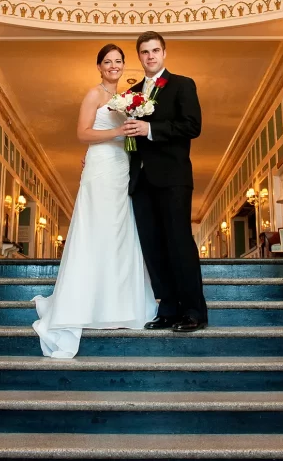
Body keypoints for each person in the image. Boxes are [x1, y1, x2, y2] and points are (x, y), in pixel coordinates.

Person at [32, 44, 158, 358]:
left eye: (118, 61)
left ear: (123, 65)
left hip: (120, 168)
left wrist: (130, 138)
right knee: (97, 230)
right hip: (100, 166)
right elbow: (83, 133)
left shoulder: (131, 98)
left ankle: (119, 306)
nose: (113, 66)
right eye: (107, 62)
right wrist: (117, 131)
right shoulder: (94, 95)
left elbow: (131, 138)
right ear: (99, 66)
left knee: (120, 232)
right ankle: (85, 304)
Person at [122, 32, 207, 332]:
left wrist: (150, 128)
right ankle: (168, 309)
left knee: (179, 242)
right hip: (140, 180)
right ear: (139, 56)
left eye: (155, 50)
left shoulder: (182, 84)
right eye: (144, 52)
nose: (150, 56)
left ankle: (194, 311)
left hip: (173, 177)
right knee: (153, 247)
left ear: (164, 52)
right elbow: (128, 137)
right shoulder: (130, 94)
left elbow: (191, 126)